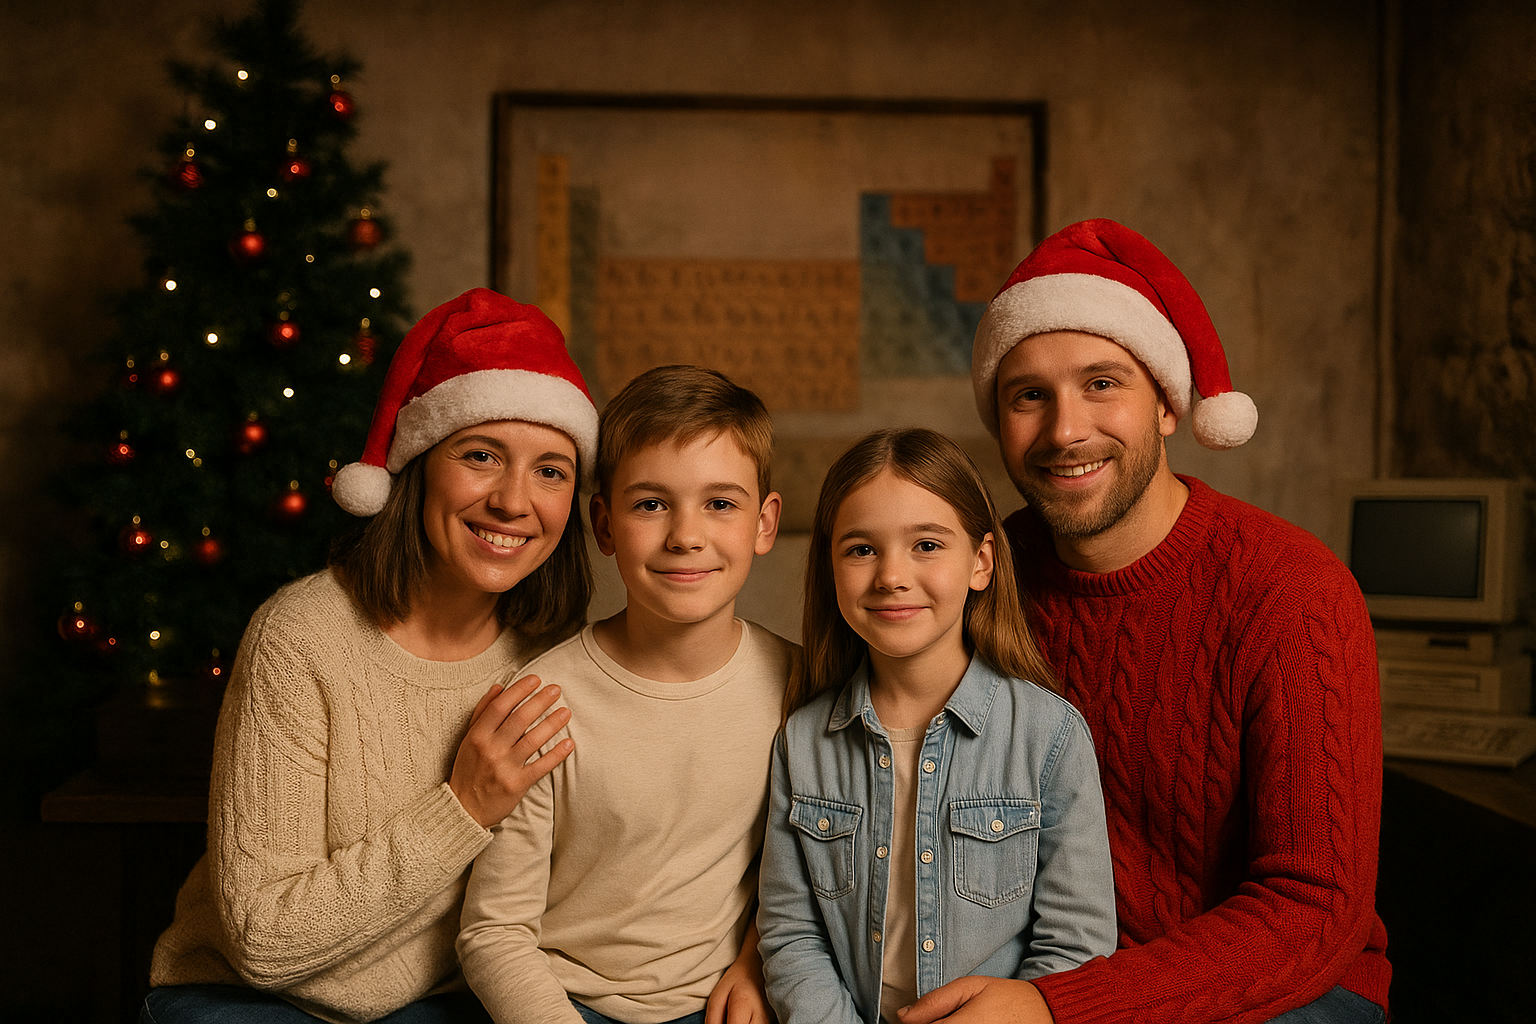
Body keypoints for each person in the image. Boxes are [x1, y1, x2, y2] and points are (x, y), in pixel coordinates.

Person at [898, 219, 1389, 1024]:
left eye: (1102, 384)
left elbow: (1313, 909)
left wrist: (1062, 1009)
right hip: (1050, 969)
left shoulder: (1292, 592)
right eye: (1030, 396)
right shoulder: (982, 576)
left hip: (1286, 985)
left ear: (1167, 404)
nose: (1065, 431)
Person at [143, 289, 601, 1024]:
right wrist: (463, 808)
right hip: (257, 1003)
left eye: (551, 470)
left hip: (446, 1002)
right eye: (481, 456)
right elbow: (263, 940)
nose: (516, 501)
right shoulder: (298, 640)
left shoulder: (554, 649)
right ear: (417, 467)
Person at [456, 364, 798, 1024]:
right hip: (566, 1004)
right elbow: (494, 934)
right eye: (651, 504)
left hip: (727, 1003)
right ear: (605, 525)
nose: (685, 535)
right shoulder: (540, 702)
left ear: (764, 521)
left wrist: (757, 962)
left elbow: (813, 872)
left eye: (720, 504)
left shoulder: (799, 685)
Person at [757, 427, 1118, 1024]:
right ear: (830, 567)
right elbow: (791, 933)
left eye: (926, 545)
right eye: (861, 549)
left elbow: (1076, 942)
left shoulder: (1048, 737)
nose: (891, 576)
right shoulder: (802, 741)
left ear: (980, 563)